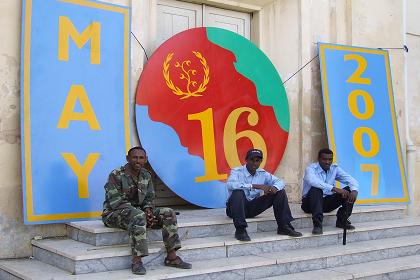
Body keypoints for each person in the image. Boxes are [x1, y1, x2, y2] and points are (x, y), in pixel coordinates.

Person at [101, 146, 191, 275]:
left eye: (141, 158)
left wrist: (148, 211)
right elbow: (116, 203)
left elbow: (149, 198)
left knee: (168, 212)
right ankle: (137, 261)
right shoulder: (116, 175)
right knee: (138, 216)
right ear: (127, 158)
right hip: (113, 214)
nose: (138, 161)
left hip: (138, 213)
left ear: (146, 160)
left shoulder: (146, 175)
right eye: (134, 157)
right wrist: (142, 214)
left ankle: (172, 257)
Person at [226, 148, 302, 241]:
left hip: (252, 208)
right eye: (252, 160)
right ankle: (240, 230)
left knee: (279, 191)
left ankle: (284, 227)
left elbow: (280, 181)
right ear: (246, 160)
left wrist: (274, 187)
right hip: (234, 209)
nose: (255, 163)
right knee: (238, 192)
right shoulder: (237, 171)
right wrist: (256, 186)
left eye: (257, 161)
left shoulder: (262, 173)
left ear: (261, 161)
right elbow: (231, 185)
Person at [301, 148, 359, 235]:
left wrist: (354, 190)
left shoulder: (334, 168)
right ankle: (317, 225)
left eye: (330, 159)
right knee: (316, 188)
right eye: (324, 159)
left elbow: (350, 180)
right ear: (319, 159)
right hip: (310, 204)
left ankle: (342, 220)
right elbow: (312, 181)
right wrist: (334, 189)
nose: (327, 162)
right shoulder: (311, 169)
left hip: (326, 203)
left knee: (349, 190)